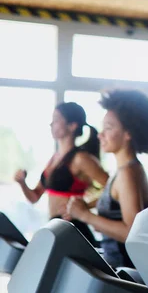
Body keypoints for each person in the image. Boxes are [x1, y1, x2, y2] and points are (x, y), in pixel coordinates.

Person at [65, 89, 148, 269]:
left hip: (125, 275)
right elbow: (118, 208)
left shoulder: (128, 173)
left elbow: (132, 233)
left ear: (128, 133)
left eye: (108, 128)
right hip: (118, 267)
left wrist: (85, 216)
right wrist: (85, 207)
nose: (100, 135)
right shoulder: (127, 170)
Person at [14, 102, 108, 246]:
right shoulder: (54, 158)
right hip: (55, 226)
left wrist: (86, 206)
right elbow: (34, 197)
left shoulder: (81, 158)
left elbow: (113, 189)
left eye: (57, 119)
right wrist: (22, 183)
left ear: (72, 126)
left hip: (73, 227)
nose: (51, 124)